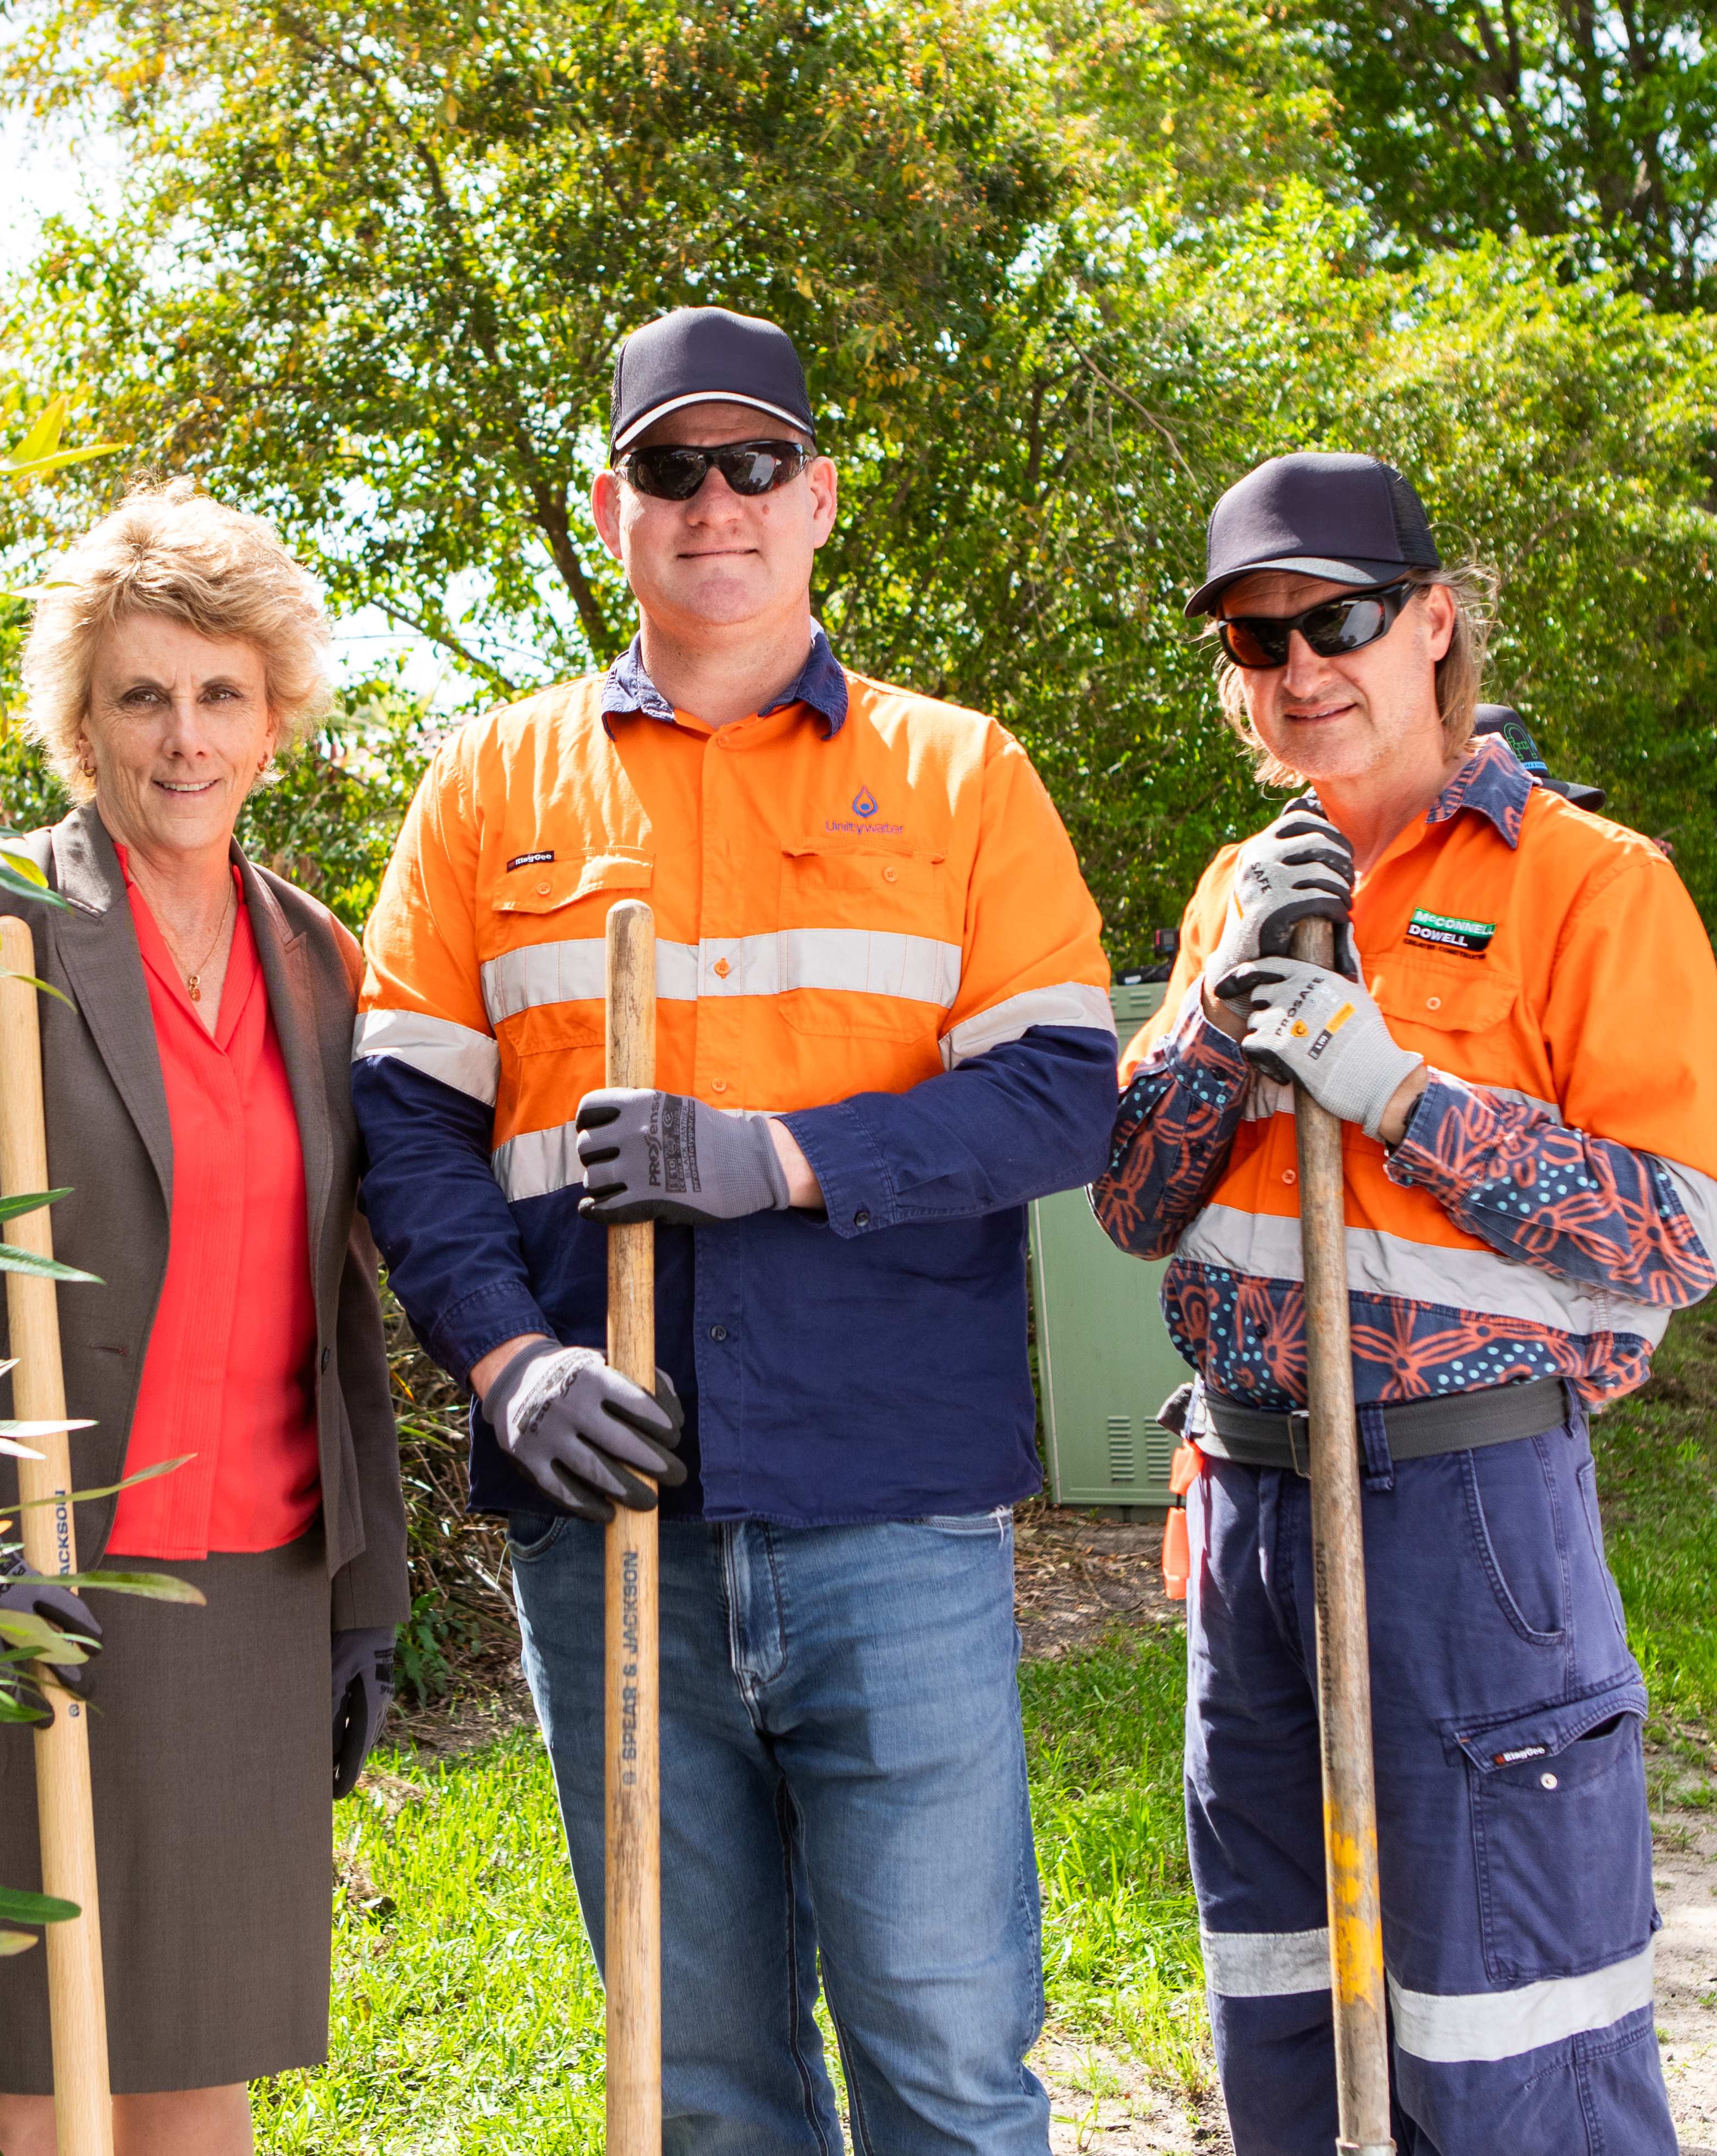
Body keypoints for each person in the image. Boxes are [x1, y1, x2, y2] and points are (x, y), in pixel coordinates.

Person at [352, 306, 1118, 2153]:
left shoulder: (957, 775)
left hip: (892, 1510)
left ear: (818, 497)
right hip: (608, 1515)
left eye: (753, 464)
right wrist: (511, 1364)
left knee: (944, 2054)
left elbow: (1058, 1093)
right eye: (672, 470)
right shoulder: (491, 788)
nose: (716, 503)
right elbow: (403, 1120)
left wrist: (774, 1156)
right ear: (611, 505)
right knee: (695, 2079)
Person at [1092, 451, 1717, 2155]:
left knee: (1507, 2019)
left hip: (1466, 1511)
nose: (1299, 668)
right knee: (1286, 2005)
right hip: (1246, 1504)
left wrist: (1390, 1085)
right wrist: (1227, 1008)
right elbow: (1134, 1203)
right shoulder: (1238, 884)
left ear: (1432, 623)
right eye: (1254, 639)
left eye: (1340, 619)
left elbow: (1671, 1232)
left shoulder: (1591, 882)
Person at [0, 484, 410, 2156]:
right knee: (24, 2092)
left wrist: (363, 1587)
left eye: (220, 694)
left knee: (195, 2093)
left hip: (243, 1598)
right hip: (16, 1580)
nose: (183, 736)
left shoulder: (316, 957)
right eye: (142, 694)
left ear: (278, 715)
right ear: (82, 718)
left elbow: (328, 1295)